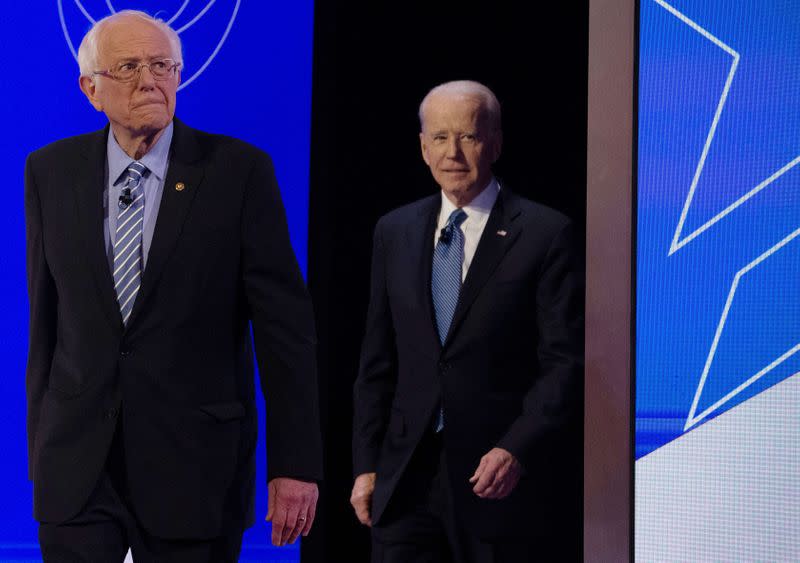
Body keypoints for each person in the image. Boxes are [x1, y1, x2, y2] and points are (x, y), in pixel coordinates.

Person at [24, 10, 321, 562]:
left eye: (163, 65)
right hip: (77, 466)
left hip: (195, 467)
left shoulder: (238, 172)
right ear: (91, 88)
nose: (150, 80)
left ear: (180, 75)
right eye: (130, 66)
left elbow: (287, 335)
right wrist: (40, 451)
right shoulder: (49, 171)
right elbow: (45, 324)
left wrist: (295, 464)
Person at [350, 80, 584, 562]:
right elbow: (377, 361)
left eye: (469, 137)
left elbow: (563, 361)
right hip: (405, 480)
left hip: (495, 481)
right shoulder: (394, 231)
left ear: (496, 143)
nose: (452, 153)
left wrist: (516, 449)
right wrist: (366, 466)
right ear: (421, 147)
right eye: (439, 138)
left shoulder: (543, 233)